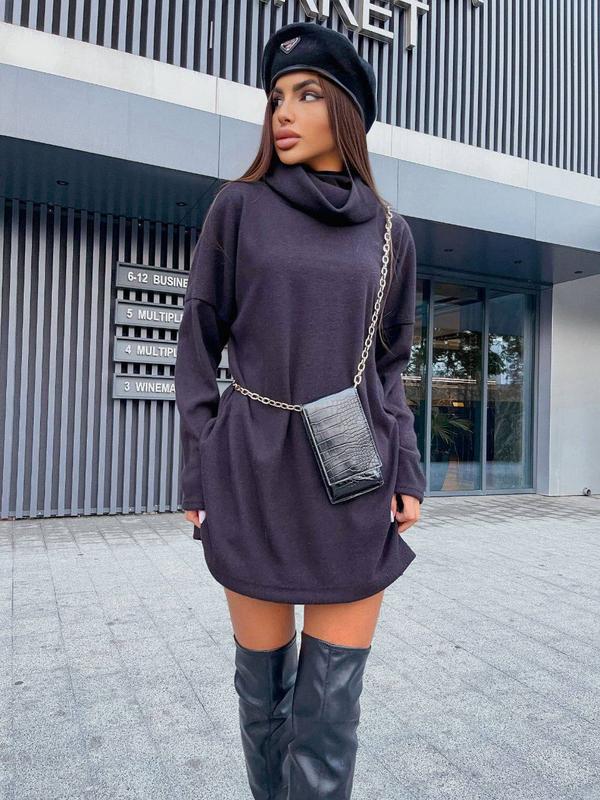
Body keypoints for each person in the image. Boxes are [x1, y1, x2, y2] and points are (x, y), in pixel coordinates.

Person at [174, 20, 426, 800]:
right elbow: (198, 343)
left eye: (308, 94)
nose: (283, 111)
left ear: (345, 111)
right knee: (264, 701)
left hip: (350, 471)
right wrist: (199, 468)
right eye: (277, 96)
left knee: (330, 714)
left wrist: (408, 470)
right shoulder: (238, 208)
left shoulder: (391, 234)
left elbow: (389, 366)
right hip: (250, 471)